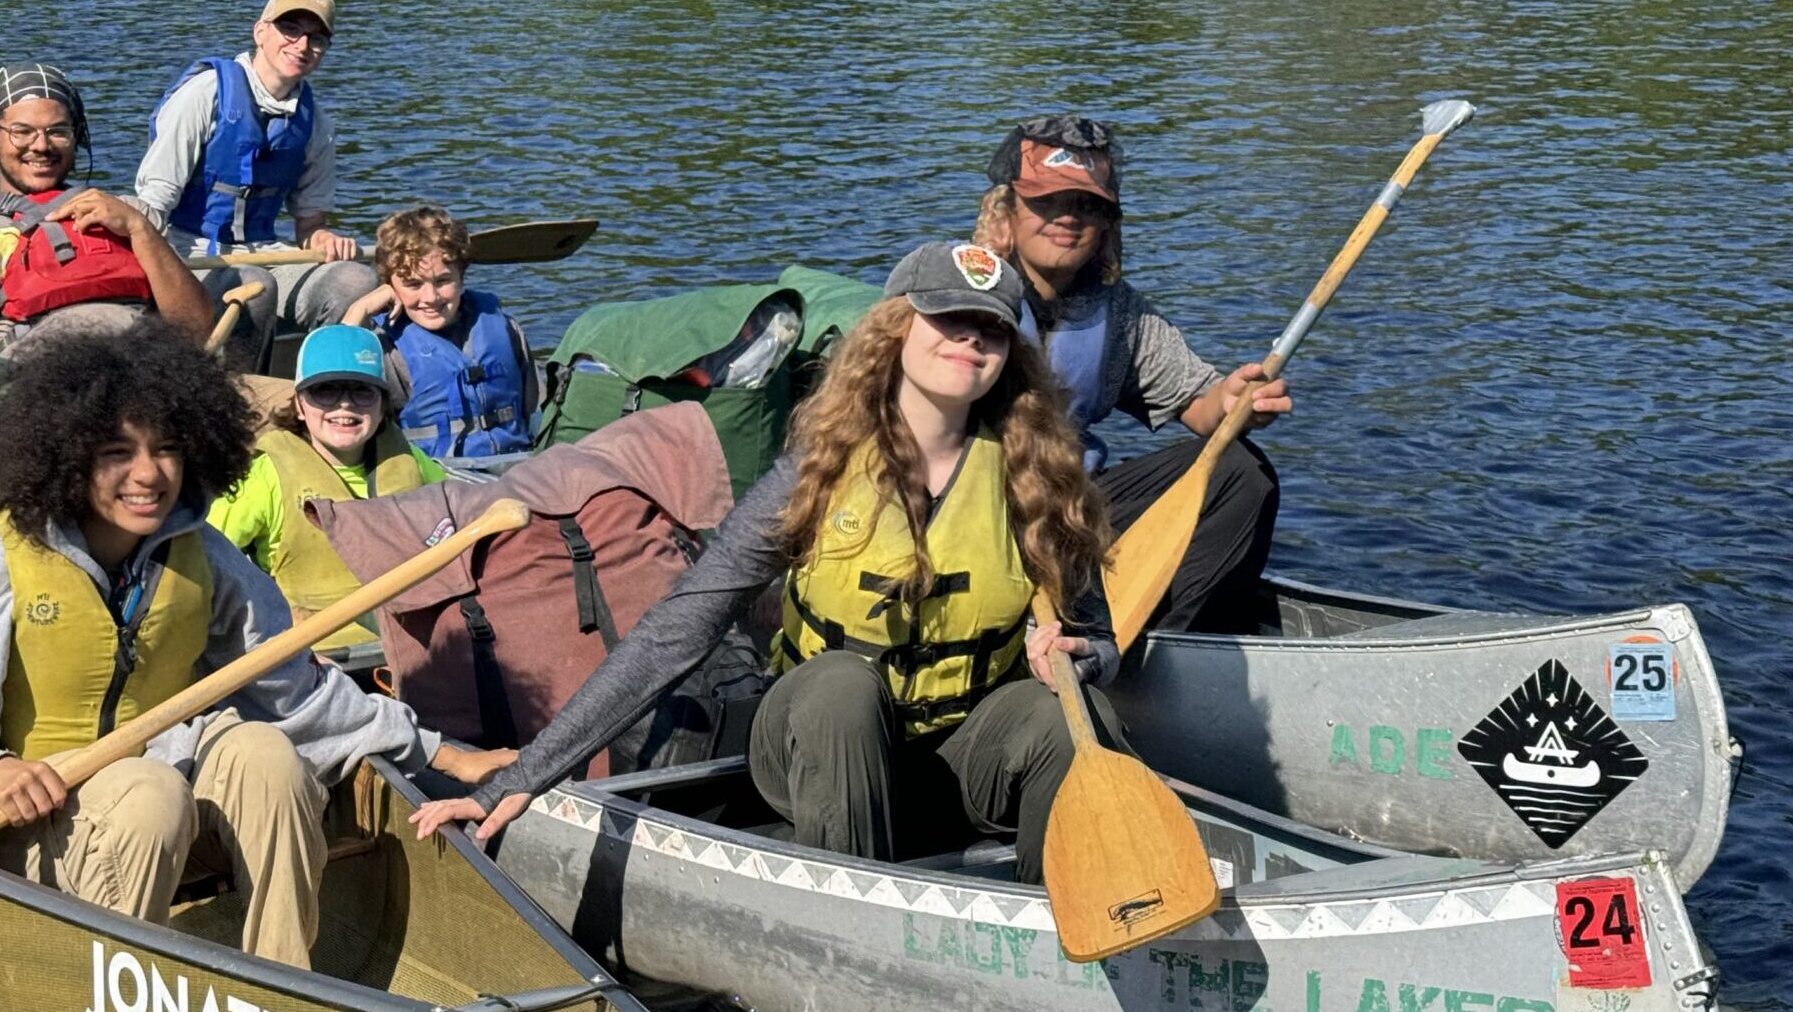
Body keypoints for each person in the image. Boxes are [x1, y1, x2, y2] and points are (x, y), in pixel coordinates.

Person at [414, 241, 1123, 886]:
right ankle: (855, 924)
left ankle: (1056, 918)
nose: (971, 339)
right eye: (950, 319)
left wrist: (1083, 656)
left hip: (960, 756)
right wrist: (529, 775)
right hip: (815, 746)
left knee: (1056, 712)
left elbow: (1103, 639)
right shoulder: (815, 474)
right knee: (842, 687)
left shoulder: (1038, 479)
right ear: (897, 329)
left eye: (992, 327)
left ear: (1009, 353)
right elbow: (677, 633)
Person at [0, 320, 503, 969]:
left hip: (163, 811)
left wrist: (442, 754)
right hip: (27, 835)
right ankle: (124, 990)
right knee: (150, 796)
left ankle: (282, 980)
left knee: (267, 752)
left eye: (167, 449)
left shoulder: (206, 558)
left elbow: (297, 692)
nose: (149, 475)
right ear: (68, 453)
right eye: (117, 452)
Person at [973, 114, 1292, 633]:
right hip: (978, 515)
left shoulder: (1120, 315)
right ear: (1006, 209)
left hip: (1075, 512)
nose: (1068, 217)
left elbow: (1201, 403)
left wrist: (1234, 403)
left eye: (1087, 205)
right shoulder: (965, 292)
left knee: (1239, 471)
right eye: (1047, 200)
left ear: (1106, 226)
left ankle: (1172, 647)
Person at [136, 0, 378, 362]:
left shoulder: (316, 124)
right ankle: (238, 403)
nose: (301, 45)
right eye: (290, 30)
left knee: (355, 280)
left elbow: (309, 227)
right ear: (260, 32)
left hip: (266, 252)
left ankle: (327, 394)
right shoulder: (205, 94)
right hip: (188, 253)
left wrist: (323, 238)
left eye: (316, 39)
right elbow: (154, 203)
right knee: (254, 285)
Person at [0, 63, 211, 350]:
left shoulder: (131, 213)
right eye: (22, 132)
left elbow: (199, 330)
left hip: (147, 370)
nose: (41, 146)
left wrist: (139, 230)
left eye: (58, 131)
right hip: (35, 382)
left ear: (76, 135)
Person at [206, 323, 448, 650]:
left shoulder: (412, 460)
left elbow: (464, 523)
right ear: (300, 406)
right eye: (326, 390)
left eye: (362, 391)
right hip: (316, 658)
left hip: (417, 644)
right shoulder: (265, 473)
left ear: (382, 406)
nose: (344, 405)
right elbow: (207, 562)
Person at [341, 205, 535, 459]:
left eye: (443, 281)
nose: (430, 297)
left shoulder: (505, 329)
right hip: (436, 475)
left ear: (461, 277)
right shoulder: (385, 347)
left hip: (517, 463)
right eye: (413, 284)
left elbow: (533, 410)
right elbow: (333, 383)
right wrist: (360, 308)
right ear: (389, 286)